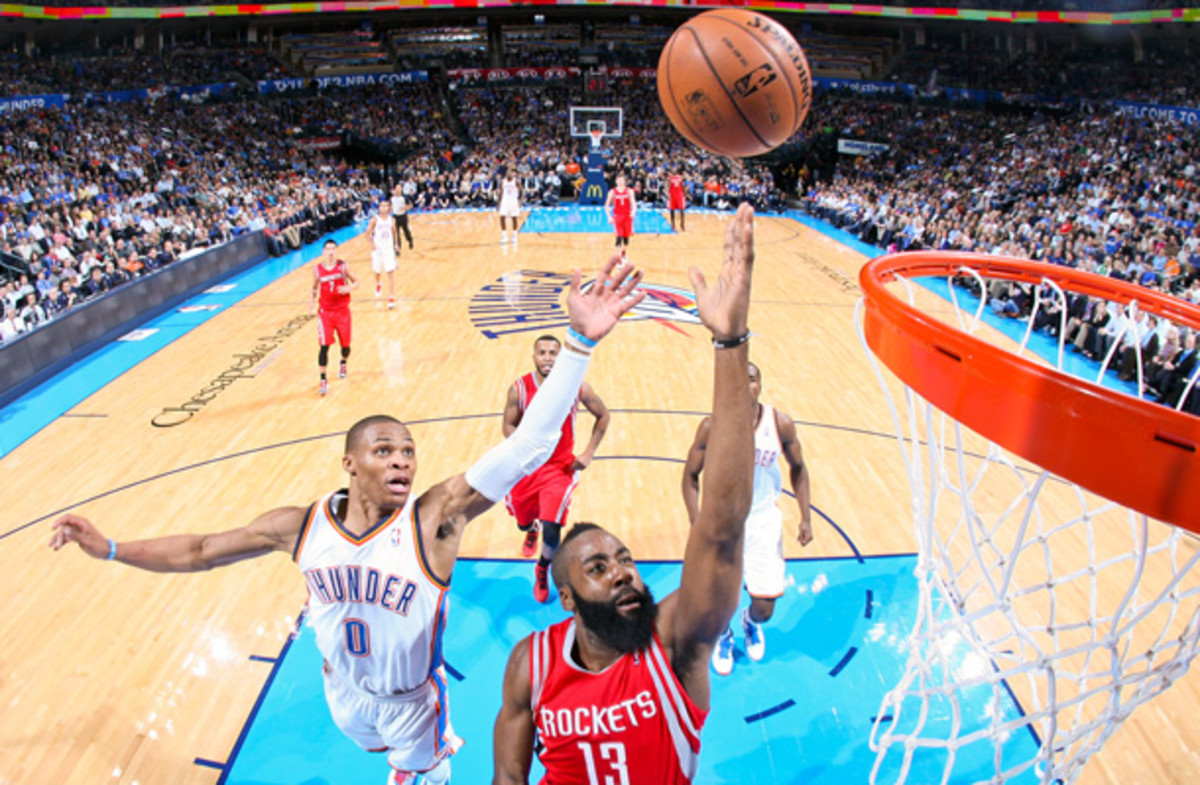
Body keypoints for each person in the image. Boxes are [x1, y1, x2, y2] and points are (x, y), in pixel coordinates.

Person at [51, 255, 647, 785]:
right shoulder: (299, 526)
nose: (402, 460)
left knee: (426, 770)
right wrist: (110, 548)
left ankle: (424, 771)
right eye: (385, 449)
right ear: (349, 463)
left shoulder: (434, 519)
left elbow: (529, 447)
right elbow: (202, 549)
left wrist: (578, 343)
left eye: (409, 451)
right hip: (341, 690)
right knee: (368, 743)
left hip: (413, 702)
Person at [493, 204, 758, 785]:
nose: (622, 573)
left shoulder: (674, 641)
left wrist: (731, 342)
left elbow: (721, 526)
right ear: (567, 598)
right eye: (598, 567)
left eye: (625, 559)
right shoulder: (530, 666)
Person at [681, 361, 812, 676]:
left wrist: (806, 517)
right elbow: (689, 476)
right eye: (738, 380)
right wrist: (697, 521)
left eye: (751, 379)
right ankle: (723, 634)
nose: (745, 385)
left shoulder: (780, 424)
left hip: (764, 520)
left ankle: (750, 622)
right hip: (723, 522)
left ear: (760, 385)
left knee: (765, 608)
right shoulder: (712, 427)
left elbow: (799, 468)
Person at [503, 334, 610, 602]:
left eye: (553, 353)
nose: (548, 357)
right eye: (543, 352)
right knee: (523, 523)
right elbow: (507, 425)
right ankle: (530, 530)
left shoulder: (577, 388)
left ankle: (542, 568)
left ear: (560, 357)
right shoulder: (519, 389)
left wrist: (589, 452)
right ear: (534, 356)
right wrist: (522, 447)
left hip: (559, 469)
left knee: (553, 527)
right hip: (527, 467)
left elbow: (603, 415)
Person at [311, 238, 358, 397]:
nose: (330, 252)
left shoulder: (343, 266)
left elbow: (357, 282)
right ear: (324, 252)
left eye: (333, 248)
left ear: (336, 250)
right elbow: (314, 287)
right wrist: (311, 302)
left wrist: (348, 287)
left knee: (345, 345)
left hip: (342, 311)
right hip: (325, 312)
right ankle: (323, 379)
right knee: (324, 345)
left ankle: (343, 362)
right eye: (328, 249)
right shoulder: (317, 269)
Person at [367, 200, 400, 309]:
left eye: (386, 206)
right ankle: (378, 283)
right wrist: (371, 243)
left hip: (388, 249)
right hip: (378, 249)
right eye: (382, 206)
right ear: (379, 207)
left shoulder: (392, 220)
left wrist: (396, 244)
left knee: (390, 272)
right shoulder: (375, 219)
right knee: (377, 271)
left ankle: (391, 297)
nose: (384, 207)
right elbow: (367, 232)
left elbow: (395, 233)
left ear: (388, 208)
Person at [605, 173, 636, 261]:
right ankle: (618, 257)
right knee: (619, 237)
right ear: (616, 181)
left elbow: (633, 204)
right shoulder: (612, 192)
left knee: (626, 240)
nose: (620, 182)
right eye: (619, 180)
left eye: (622, 180)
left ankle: (623, 253)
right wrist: (609, 217)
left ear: (625, 181)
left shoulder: (629, 191)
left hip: (627, 216)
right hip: (618, 216)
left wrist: (633, 211)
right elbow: (606, 205)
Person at [498, 168, 522, 245]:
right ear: (506, 174)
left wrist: (520, 201)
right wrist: (499, 202)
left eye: (510, 173)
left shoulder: (516, 181)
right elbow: (501, 192)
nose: (509, 175)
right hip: (505, 201)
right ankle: (504, 235)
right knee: (502, 217)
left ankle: (514, 235)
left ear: (512, 174)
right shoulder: (502, 181)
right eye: (507, 173)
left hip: (513, 201)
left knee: (514, 218)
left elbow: (522, 191)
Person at [391, 183, 414, 251]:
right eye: (396, 188)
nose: (398, 189)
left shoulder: (404, 197)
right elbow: (390, 205)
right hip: (395, 217)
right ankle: (397, 248)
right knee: (396, 233)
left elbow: (410, 205)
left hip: (403, 216)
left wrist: (404, 208)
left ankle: (410, 240)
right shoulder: (392, 198)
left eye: (399, 188)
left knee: (405, 230)